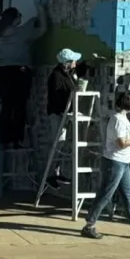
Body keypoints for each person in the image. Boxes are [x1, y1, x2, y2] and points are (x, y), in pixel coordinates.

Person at [82, 91, 130, 240]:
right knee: (106, 193)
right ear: (127, 103)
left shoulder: (123, 119)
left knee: (128, 195)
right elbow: (122, 143)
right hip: (114, 162)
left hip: (123, 162)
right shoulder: (117, 120)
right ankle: (89, 225)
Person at [0, 5, 46, 148]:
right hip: (20, 72)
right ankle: (17, 140)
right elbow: (42, 30)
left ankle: (4, 139)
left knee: (6, 106)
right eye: (19, 15)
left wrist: (0, 57)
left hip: (3, 73)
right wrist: (42, 13)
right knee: (20, 106)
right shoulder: (23, 32)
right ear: (15, 20)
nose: (21, 17)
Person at [44, 48, 89, 185]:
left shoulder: (68, 73)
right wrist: (66, 110)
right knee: (58, 143)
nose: (75, 62)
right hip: (57, 113)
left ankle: (57, 172)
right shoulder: (56, 76)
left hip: (65, 112)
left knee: (62, 144)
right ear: (66, 63)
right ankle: (51, 174)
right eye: (73, 60)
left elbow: (76, 74)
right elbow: (57, 97)